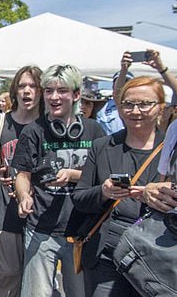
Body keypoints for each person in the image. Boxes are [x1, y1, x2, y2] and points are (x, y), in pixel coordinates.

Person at [12, 64, 105, 297]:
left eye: (62, 90)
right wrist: (24, 196)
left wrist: (74, 175)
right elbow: (22, 174)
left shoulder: (94, 131)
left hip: (82, 232)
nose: (54, 97)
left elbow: (105, 177)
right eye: (48, 90)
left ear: (75, 95)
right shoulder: (34, 131)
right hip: (41, 229)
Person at [72, 76, 166, 296]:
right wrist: (103, 192)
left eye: (144, 104)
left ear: (160, 108)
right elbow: (80, 198)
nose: (135, 111)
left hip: (157, 257)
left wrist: (160, 197)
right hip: (107, 254)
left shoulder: (171, 151)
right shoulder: (103, 146)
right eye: (129, 104)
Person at [0, 65, 44, 297]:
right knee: (5, 279)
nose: (27, 91)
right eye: (22, 86)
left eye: (33, 86)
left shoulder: (48, 126)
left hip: (42, 215)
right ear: (15, 90)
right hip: (6, 214)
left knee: (38, 284)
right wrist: (1, 174)